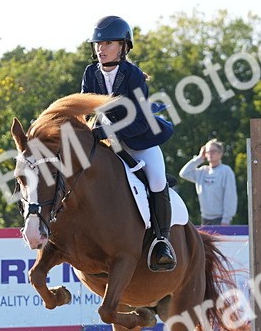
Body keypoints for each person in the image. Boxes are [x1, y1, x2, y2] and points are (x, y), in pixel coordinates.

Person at [80, 14, 176, 272]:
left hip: (139, 138)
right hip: (106, 142)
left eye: (108, 43)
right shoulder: (90, 73)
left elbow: (139, 123)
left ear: (123, 47)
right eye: (98, 44)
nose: (101, 48)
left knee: (156, 179)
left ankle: (161, 241)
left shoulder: (132, 76)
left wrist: (107, 133)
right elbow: (84, 109)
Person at [179, 139, 238, 225]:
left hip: (221, 219)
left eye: (213, 151)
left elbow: (230, 196)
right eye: (208, 151)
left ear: (220, 153)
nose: (210, 153)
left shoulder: (226, 171)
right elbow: (184, 173)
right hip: (205, 218)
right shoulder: (202, 171)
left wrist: (226, 219)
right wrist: (199, 158)